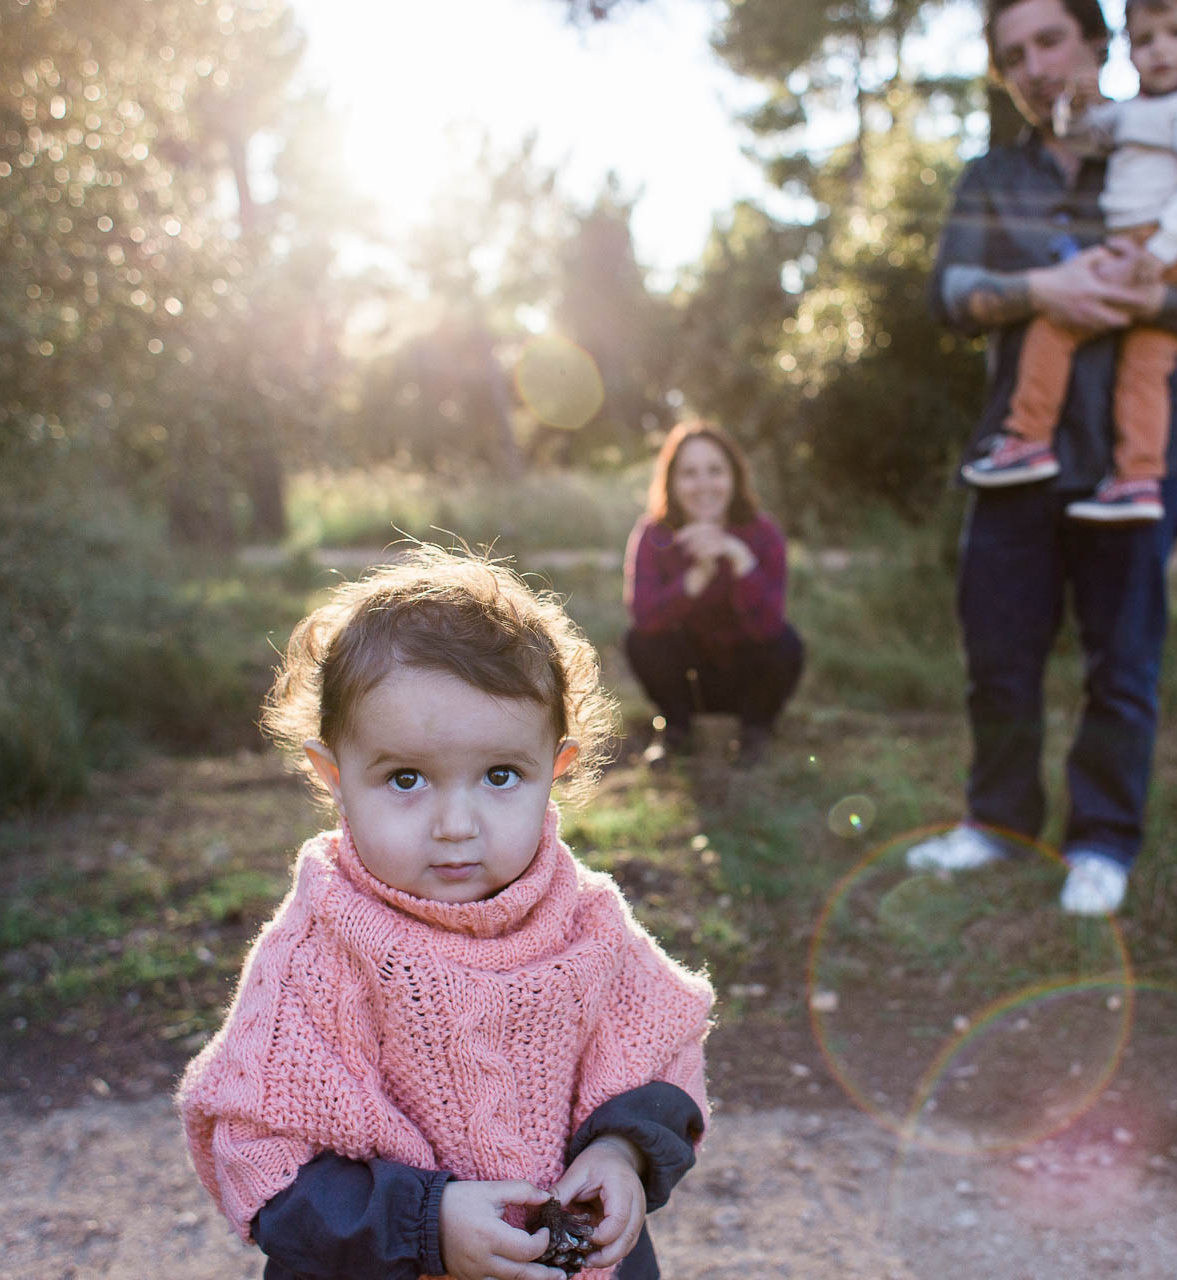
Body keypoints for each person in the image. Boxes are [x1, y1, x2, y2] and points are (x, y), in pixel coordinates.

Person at [179, 547, 714, 1280]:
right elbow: (262, 1161)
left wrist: (619, 1152)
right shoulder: (317, 953)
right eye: (406, 778)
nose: (455, 824)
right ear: (332, 777)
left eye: (500, 775)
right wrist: (425, 1222)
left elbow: (660, 1063)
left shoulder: (588, 924)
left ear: (555, 768)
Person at [905, 0, 1177, 915]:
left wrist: (1142, 298)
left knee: (1123, 665)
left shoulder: (1174, 139)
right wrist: (1042, 288)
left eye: (1050, 39)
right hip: (1012, 463)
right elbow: (948, 293)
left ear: (1099, 44)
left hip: (1131, 467)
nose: (1033, 64)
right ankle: (998, 824)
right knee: (999, 659)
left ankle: (1102, 842)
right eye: (1012, 53)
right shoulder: (991, 175)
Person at [960, 0, 1177, 527]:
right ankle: (1136, 476)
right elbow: (1084, 133)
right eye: (1147, 40)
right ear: (1130, 48)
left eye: (1049, 42)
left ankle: (1028, 439)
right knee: (1142, 370)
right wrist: (1077, 110)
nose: (1160, 50)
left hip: (1155, 248)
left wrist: (1156, 267)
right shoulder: (996, 173)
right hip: (1018, 510)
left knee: (1060, 329)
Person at [623, 421, 805, 768]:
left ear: (734, 478)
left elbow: (770, 626)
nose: (703, 484)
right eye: (689, 473)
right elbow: (643, 616)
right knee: (639, 640)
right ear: (672, 483)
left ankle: (756, 730)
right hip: (689, 681)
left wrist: (741, 560)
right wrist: (696, 578)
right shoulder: (653, 534)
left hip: (745, 678)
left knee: (787, 643)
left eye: (715, 471)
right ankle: (676, 727)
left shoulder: (763, 534)